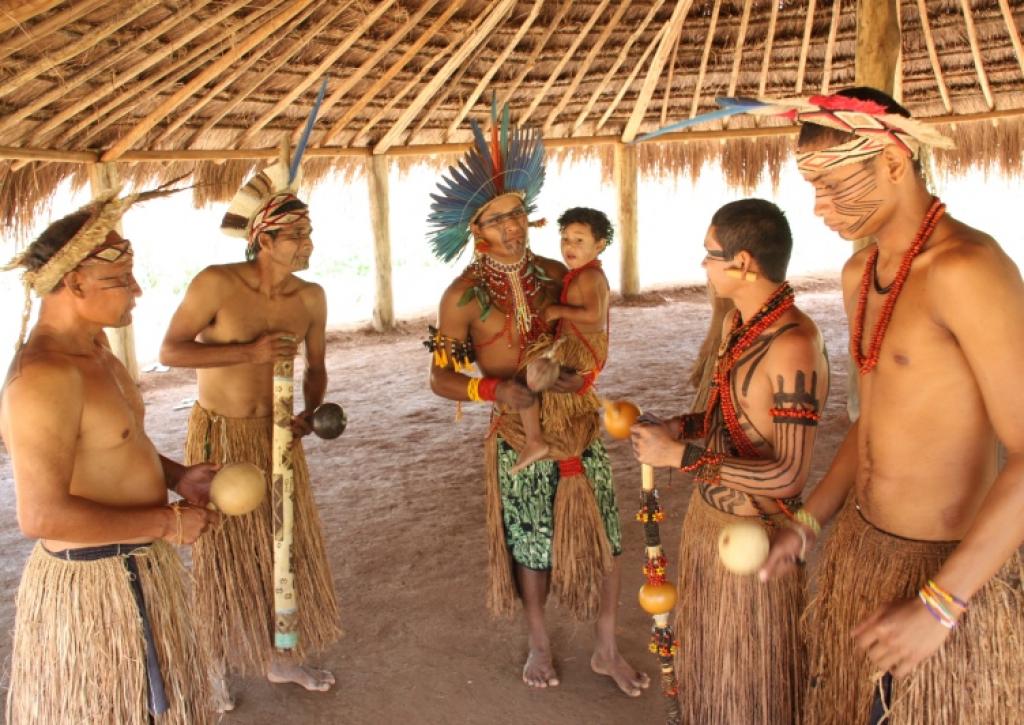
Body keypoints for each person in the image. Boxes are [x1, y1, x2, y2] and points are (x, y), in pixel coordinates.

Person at [757, 87, 1024, 723]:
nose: (818, 206)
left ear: (894, 161)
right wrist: (808, 521)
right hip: (866, 556)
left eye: (833, 183)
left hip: (951, 574)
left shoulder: (967, 269)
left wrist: (942, 604)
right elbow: (872, 421)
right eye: (811, 186)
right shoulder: (862, 274)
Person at [424, 105, 648, 696]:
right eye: (498, 220)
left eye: (518, 213)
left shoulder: (558, 273)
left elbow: (592, 335)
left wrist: (578, 378)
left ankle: (605, 648)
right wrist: (495, 388)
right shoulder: (462, 298)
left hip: (576, 423)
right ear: (476, 230)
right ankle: (541, 643)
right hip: (518, 432)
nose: (514, 226)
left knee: (605, 537)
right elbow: (440, 379)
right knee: (532, 545)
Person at [1, 192, 216, 724]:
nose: (137, 292)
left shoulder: (97, 350)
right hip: (93, 582)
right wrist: (166, 522)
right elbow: (42, 516)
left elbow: (120, 443)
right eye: (121, 281)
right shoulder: (45, 377)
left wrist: (178, 477)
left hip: (137, 568)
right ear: (74, 284)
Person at [631, 198, 828, 724]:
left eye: (710, 254)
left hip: (755, 539)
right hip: (710, 527)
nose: (703, 265)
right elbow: (723, 422)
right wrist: (677, 428)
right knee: (712, 676)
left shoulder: (793, 345)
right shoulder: (737, 326)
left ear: (744, 263)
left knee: (752, 692)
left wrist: (679, 455)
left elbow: (789, 473)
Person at [160, 162, 340, 707]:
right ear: (264, 238)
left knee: (283, 543)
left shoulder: (310, 297)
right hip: (222, 438)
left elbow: (315, 366)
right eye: (297, 234)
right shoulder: (216, 283)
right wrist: (251, 352)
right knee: (222, 550)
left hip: (279, 436)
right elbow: (169, 351)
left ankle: (280, 659)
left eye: (309, 232)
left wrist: (310, 412)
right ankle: (214, 668)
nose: (308, 242)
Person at [511, 206, 612, 474]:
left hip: (578, 347)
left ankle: (535, 440)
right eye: (565, 239)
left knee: (526, 377)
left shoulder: (590, 276)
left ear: (599, 245)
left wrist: (557, 310)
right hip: (575, 343)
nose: (570, 246)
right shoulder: (584, 274)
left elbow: (593, 315)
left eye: (579, 240)